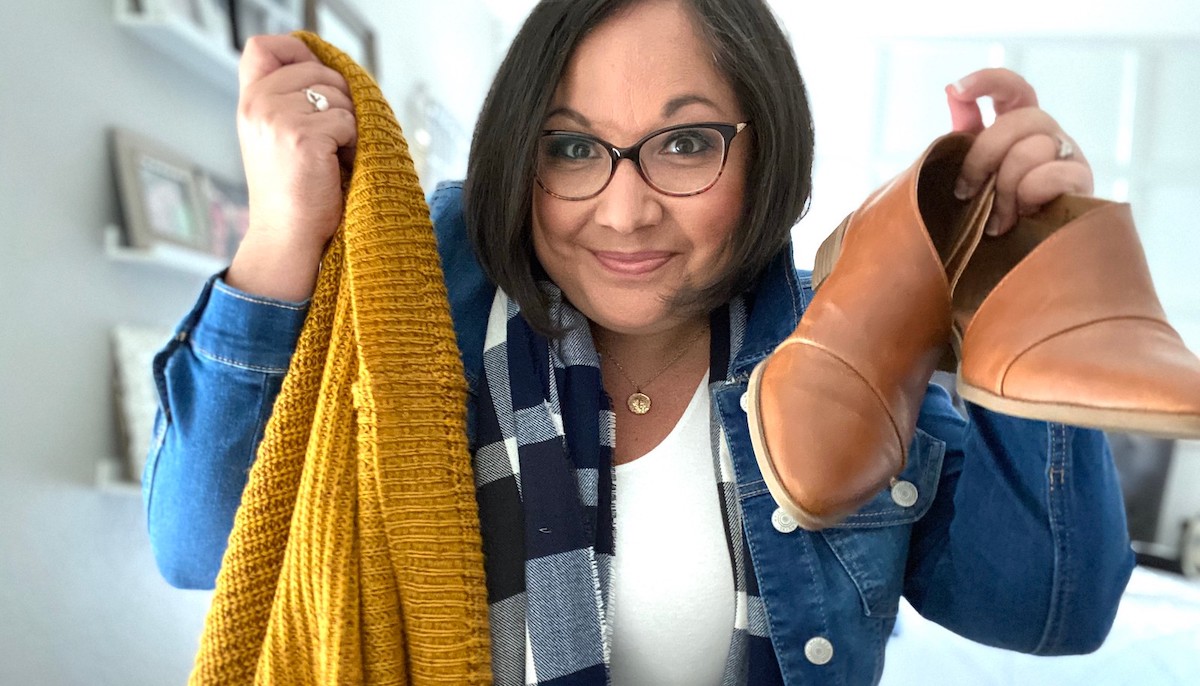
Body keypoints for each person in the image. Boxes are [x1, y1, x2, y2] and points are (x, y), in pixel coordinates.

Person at [144, 1, 1135, 684]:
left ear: (766, 151)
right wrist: (279, 239)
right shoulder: (418, 318)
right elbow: (200, 545)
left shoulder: (853, 345)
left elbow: (1049, 606)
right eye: (572, 148)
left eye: (687, 141)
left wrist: (1022, 289)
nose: (623, 211)